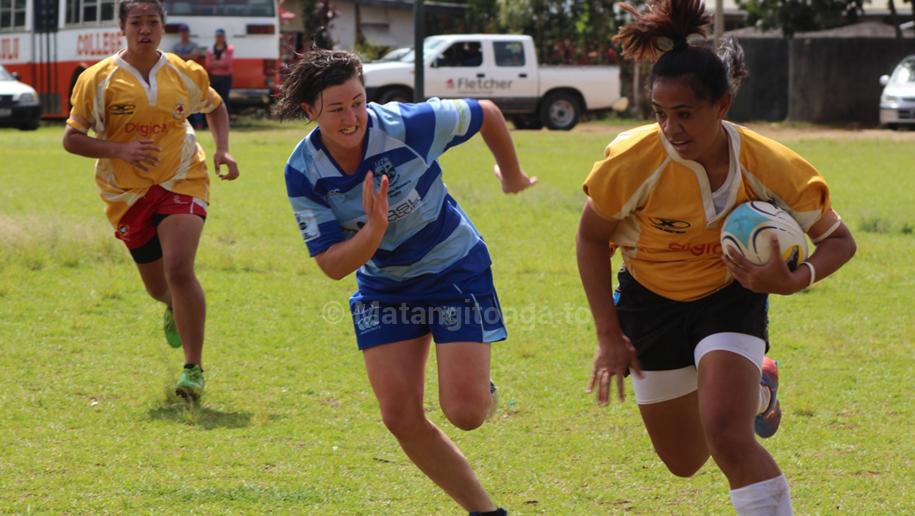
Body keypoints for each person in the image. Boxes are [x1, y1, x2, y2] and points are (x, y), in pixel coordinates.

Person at [576, 0, 856, 514]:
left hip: (730, 297)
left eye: (685, 114)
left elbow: (841, 240)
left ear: (722, 106)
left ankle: (743, 391)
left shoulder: (769, 163)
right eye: (660, 114)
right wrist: (607, 334)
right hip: (648, 303)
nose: (671, 129)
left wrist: (798, 279)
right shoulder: (633, 160)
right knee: (684, 461)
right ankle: (758, 387)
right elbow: (591, 238)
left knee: (728, 437)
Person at [274, 49, 536, 514]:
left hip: (454, 266)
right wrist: (373, 233)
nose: (352, 117)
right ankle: (485, 511)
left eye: (358, 101)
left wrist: (511, 175)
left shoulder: (405, 125)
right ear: (308, 111)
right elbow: (333, 265)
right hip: (384, 286)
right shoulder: (303, 171)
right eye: (336, 109)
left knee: (466, 413)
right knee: (398, 416)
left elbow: (486, 114)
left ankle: (478, 388)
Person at [62, 0, 240, 401]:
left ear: (163, 27)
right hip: (126, 194)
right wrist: (120, 150)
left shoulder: (184, 71)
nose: (145, 29)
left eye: (152, 22)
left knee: (180, 269)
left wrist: (223, 150)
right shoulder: (97, 79)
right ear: (122, 28)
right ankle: (171, 306)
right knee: (159, 287)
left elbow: (215, 106)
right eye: (136, 22)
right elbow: (71, 138)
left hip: (183, 176)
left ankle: (193, 369)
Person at [170, 23, 206, 129]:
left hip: (192, 77)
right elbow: (174, 59)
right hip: (179, 77)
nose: (184, 34)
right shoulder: (176, 46)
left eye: (185, 32)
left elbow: (194, 56)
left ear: (188, 33)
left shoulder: (193, 45)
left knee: (195, 99)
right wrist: (186, 56)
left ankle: (198, 124)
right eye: (182, 32)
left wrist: (181, 57)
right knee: (180, 101)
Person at [205, 28, 233, 114]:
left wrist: (215, 63)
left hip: (225, 78)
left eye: (221, 36)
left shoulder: (229, 49)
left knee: (224, 98)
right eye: (217, 36)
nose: (219, 38)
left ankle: (225, 118)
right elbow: (208, 64)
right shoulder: (210, 50)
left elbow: (227, 63)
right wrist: (220, 63)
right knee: (213, 99)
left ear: (224, 37)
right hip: (214, 77)